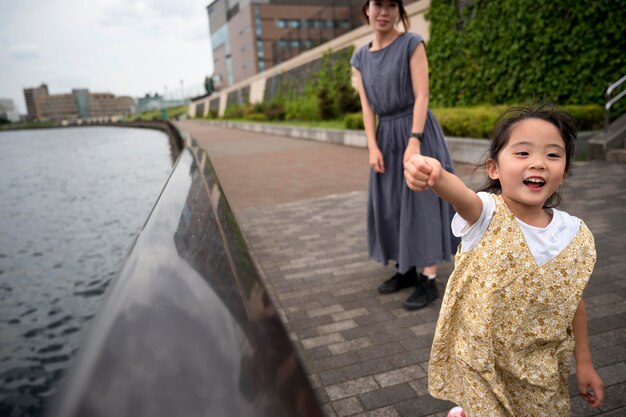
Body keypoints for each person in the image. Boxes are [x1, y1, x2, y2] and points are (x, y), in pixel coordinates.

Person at [404, 104, 605, 415]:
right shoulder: (486, 213)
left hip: (540, 373)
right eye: (523, 153)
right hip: (482, 365)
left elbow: (572, 300)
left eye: (553, 155)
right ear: (494, 169)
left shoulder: (573, 233)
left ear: (564, 172)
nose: (538, 163)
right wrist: (436, 173)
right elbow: (459, 194)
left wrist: (585, 361)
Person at [350, 0, 460, 310]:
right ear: (366, 10)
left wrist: (415, 139)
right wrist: (372, 145)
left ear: (399, 11)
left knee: (422, 201)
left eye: (390, 5)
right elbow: (367, 106)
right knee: (391, 204)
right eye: (377, 5)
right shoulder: (360, 57)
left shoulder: (412, 43)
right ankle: (407, 269)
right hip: (386, 137)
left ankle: (428, 279)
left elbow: (422, 94)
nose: (383, 12)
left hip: (417, 129)